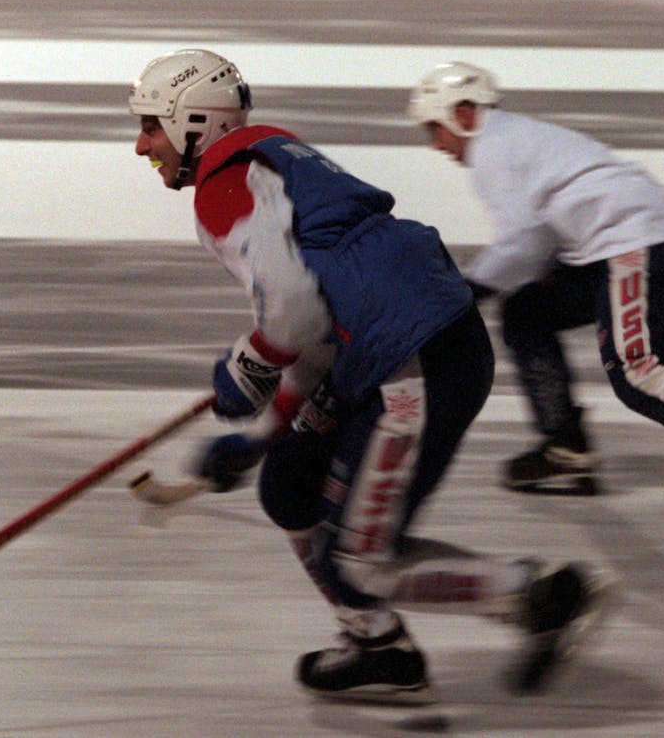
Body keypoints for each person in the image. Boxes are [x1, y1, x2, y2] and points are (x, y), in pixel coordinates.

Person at [127, 48, 615, 705]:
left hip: (405, 361)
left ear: (193, 122)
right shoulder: (276, 155)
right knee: (290, 485)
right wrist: (265, 433)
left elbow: (295, 312)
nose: (141, 145)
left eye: (151, 125)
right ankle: (376, 642)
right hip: (413, 342)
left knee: (360, 559)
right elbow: (323, 318)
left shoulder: (222, 183)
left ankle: (542, 595)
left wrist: (246, 368)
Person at [408, 62, 664, 520]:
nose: (435, 144)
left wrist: (462, 293)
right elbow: (536, 236)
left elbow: (522, 239)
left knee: (640, 372)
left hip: (632, 243)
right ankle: (564, 443)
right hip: (623, 244)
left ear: (463, 113)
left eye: (434, 127)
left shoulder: (492, 147)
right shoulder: (509, 139)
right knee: (526, 311)